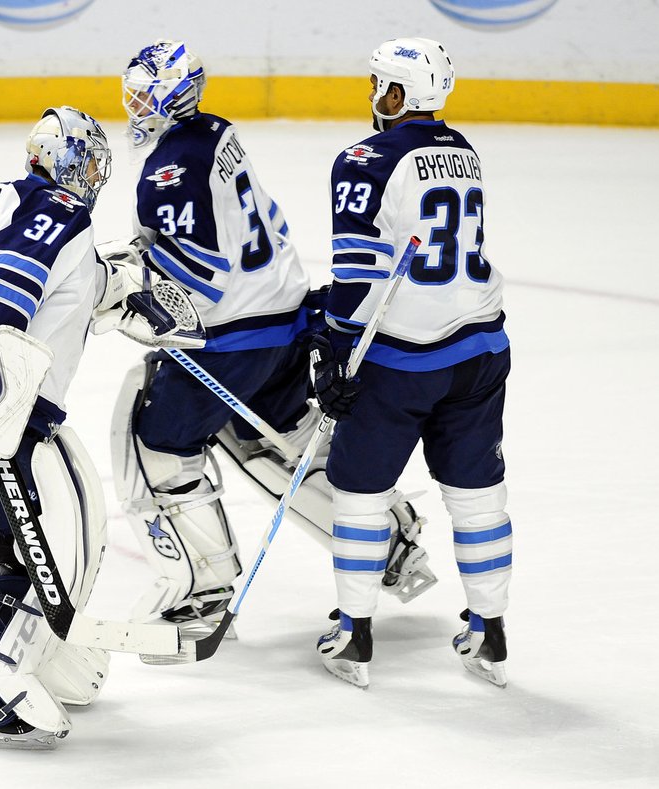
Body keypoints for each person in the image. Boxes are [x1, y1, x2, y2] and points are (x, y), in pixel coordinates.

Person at [107, 40, 436, 637]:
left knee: (157, 439)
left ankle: (200, 592)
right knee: (279, 439)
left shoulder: (168, 171)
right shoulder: (215, 132)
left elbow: (199, 273)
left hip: (234, 338)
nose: (131, 103)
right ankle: (388, 537)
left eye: (141, 93)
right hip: (283, 320)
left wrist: (130, 292)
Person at [0, 106, 188, 748]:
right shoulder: (55, 205)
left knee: (32, 533)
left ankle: (39, 658)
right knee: (22, 542)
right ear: (66, 159)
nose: (97, 174)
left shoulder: (34, 206)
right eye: (91, 159)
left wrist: (124, 287)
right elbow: (4, 290)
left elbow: (73, 287)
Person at [311, 37, 513, 689]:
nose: (374, 96)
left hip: (402, 358)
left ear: (401, 93)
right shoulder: (462, 151)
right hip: (480, 346)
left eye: (381, 85)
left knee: (360, 491)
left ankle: (354, 630)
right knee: (478, 494)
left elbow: (355, 278)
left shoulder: (364, 159)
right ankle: (490, 626)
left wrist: (337, 354)